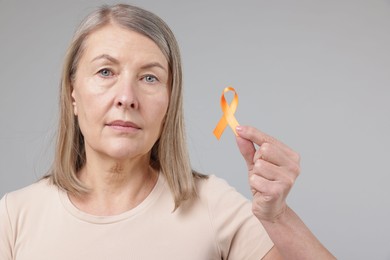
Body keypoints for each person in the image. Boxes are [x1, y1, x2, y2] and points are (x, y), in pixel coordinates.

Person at [0, 4, 335, 259]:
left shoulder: (212, 204)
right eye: (105, 71)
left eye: (149, 78)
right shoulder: (14, 217)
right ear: (72, 92)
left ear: (170, 100)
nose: (126, 98)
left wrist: (278, 218)